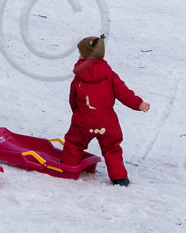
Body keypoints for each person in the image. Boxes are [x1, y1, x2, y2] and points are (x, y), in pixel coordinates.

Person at [61, 34, 149, 186]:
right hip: (106, 122)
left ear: (85, 55)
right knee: (112, 148)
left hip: (83, 120)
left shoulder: (79, 77)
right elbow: (124, 93)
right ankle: (120, 178)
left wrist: (78, 114)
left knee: (74, 142)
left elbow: (72, 99)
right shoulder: (110, 76)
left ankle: (69, 167)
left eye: (80, 52)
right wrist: (138, 103)